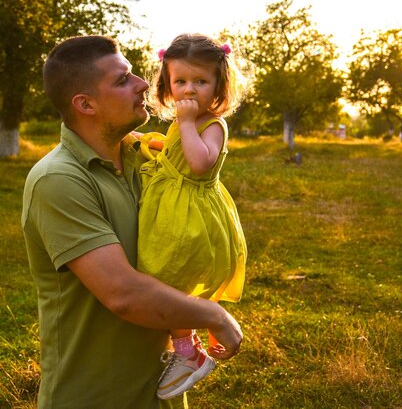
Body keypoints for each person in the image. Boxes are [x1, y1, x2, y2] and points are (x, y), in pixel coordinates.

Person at [21, 35, 243, 409]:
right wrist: (214, 315)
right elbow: (123, 294)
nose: (143, 84)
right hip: (96, 396)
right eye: (123, 80)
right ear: (85, 104)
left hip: (161, 392)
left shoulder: (144, 159)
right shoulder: (58, 180)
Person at [136, 33, 247, 400]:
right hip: (171, 211)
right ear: (166, 83)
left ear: (218, 85)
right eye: (180, 81)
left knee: (168, 278)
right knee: (159, 276)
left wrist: (185, 124)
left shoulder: (212, 124)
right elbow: (175, 156)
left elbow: (199, 164)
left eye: (200, 82)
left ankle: (189, 355)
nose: (189, 90)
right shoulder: (179, 123)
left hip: (191, 219)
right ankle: (187, 349)